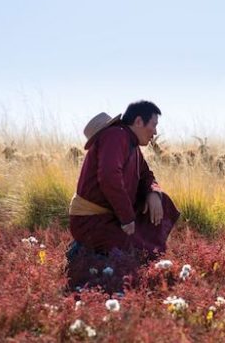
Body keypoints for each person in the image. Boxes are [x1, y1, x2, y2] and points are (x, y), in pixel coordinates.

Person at [66, 100, 180, 291]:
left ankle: (97, 252)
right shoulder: (115, 136)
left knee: (163, 202)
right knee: (132, 250)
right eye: (153, 125)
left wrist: (153, 193)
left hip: (112, 216)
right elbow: (109, 177)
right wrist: (127, 218)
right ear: (138, 121)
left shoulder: (131, 144)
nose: (155, 132)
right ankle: (80, 252)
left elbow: (146, 175)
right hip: (92, 220)